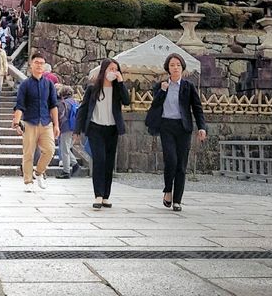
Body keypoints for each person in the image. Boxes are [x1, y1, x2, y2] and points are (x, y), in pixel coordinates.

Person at [145, 53, 206, 212]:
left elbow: (197, 108)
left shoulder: (188, 86)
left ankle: (177, 200)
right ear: (168, 68)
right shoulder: (161, 85)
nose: (175, 67)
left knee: (181, 165)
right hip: (166, 126)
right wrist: (162, 91)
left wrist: (202, 127)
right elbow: (155, 105)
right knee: (171, 160)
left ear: (182, 67)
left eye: (178, 65)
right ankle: (167, 190)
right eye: (172, 65)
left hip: (183, 127)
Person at [74, 58, 130, 209]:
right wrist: (77, 130)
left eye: (115, 69)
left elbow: (127, 101)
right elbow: (83, 109)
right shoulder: (93, 89)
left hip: (112, 129)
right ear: (104, 70)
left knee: (109, 162)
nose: (113, 72)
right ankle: (98, 195)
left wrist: (120, 81)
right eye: (110, 69)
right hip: (95, 128)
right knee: (100, 160)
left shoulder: (118, 89)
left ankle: (106, 196)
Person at [12, 53, 60, 192]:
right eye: (37, 62)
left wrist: (56, 125)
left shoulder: (49, 84)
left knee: (50, 151)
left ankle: (38, 172)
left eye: (42, 63)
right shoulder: (25, 85)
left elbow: (53, 105)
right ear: (31, 65)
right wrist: (16, 122)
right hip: (30, 122)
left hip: (46, 122)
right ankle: (28, 181)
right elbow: (20, 105)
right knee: (28, 153)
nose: (39, 65)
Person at [56, 85, 78, 179]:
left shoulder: (63, 103)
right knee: (67, 147)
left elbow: (60, 116)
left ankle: (66, 171)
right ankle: (75, 164)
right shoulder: (75, 102)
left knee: (64, 149)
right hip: (74, 127)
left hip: (65, 127)